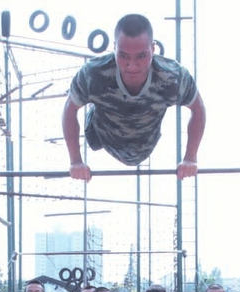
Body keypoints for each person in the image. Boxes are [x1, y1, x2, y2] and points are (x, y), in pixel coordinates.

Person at [62, 13, 206, 181]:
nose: (132, 65)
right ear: (114, 48)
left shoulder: (173, 77)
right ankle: (95, 108)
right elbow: (69, 109)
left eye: (141, 56)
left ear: (153, 49)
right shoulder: (92, 74)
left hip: (145, 142)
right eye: (123, 56)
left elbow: (198, 108)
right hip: (103, 135)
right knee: (86, 98)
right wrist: (75, 161)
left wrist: (190, 158)